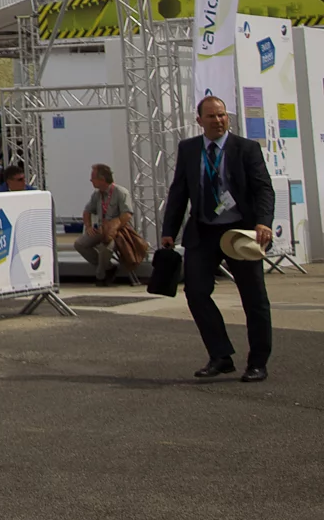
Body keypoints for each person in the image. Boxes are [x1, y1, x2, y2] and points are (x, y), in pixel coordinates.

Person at [161, 95, 274, 382]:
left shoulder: (245, 149)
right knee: (196, 293)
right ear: (199, 121)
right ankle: (220, 355)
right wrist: (169, 231)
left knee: (254, 299)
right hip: (204, 231)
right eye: (211, 116)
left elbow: (263, 189)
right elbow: (179, 192)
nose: (218, 120)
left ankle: (258, 362)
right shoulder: (189, 149)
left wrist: (263, 222)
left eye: (222, 115)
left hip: (240, 231)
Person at [74, 164, 135, 285]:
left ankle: (101, 276)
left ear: (102, 179)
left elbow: (127, 215)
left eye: (93, 177)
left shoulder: (121, 192)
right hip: (101, 228)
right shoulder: (96, 195)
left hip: (119, 231)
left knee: (105, 247)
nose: (90, 180)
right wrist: (89, 226)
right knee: (80, 244)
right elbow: (87, 211)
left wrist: (113, 226)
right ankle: (108, 268)